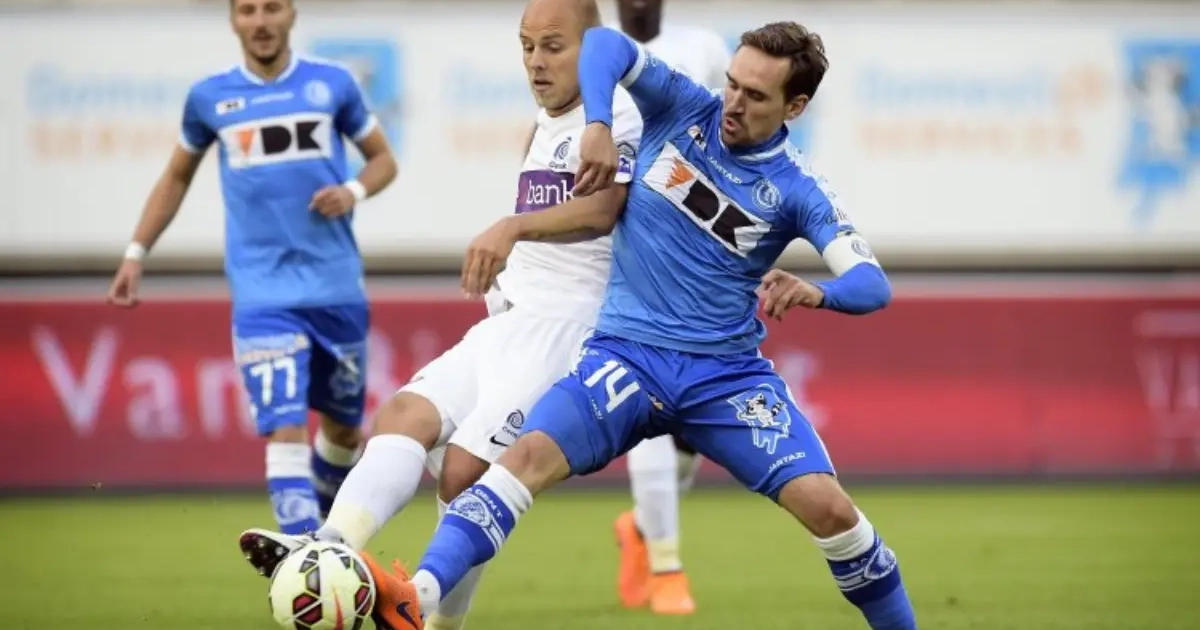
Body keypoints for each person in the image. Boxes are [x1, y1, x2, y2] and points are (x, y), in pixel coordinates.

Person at [363, 17, 921, 630]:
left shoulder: (797, 188)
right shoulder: (683, 104)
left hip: (723, 377)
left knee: (831, 510)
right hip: (625, 355)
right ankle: (417, 595)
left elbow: (871, 284)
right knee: (521, 462)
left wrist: (818, 291)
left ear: (796, 106)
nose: (733, 103)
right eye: (733, 83)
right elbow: (605, 45)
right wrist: (599, 124)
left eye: (756, 96)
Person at [235, 1, 641, 629]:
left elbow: (603, 210)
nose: (535, 61)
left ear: (592, 50)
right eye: (526, 45)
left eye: (553, 46)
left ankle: (436, 620)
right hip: (511, 320)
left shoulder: (615, 115)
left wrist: (512, 228)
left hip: (566, 330)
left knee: (463, 476)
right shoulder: (545, 121)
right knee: (402, 416)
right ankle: (327, 547)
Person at [106, 0, 397, 535]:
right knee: (284, 425)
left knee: (343, 432)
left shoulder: (332, 84)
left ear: (291, 14)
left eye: (271, 8)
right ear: (233, 20)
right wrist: (135, 252)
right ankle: (301, 550)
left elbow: (383, 159)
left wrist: (352, 191)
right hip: (263, 293)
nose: (260, 21)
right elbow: (176, 176)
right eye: (247, 10)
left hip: (335, 285)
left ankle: (323, 537)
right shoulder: (210, 97)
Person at [609, 0, 732, 615]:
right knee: (645, 394)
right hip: (619, 247)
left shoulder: (703, 47)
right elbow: (547, 141)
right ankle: (667, 567)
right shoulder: (593, 50)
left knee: (692, 426)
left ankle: (641, 525)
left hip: (690, 249)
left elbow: (728, 138)